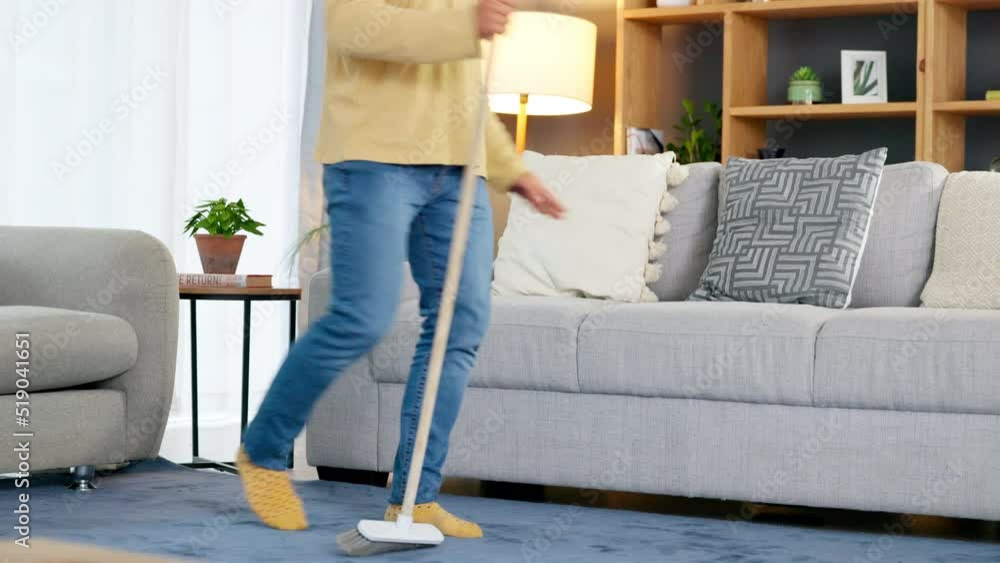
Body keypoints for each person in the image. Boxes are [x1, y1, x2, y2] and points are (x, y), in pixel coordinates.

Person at [236, 0, 565, 537]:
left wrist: (510, 170)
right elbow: (355, 28)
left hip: (459, 171)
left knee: (459, 327)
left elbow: (465, 92)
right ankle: (264, 452)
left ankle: (416, 497)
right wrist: (465, 24)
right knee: (362, 316)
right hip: (373, 158)